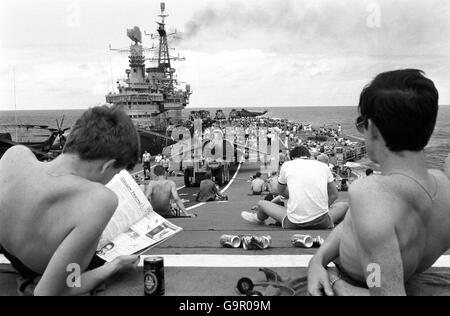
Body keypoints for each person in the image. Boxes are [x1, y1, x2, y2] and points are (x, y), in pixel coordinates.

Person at [307, 69, 450, 296]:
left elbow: (382, 290)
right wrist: (317, 260)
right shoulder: (444, 184)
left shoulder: (371, 194)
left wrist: (336, 284)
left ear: (371, 128)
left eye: (361, 123)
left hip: (359, 281)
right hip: (399, 274)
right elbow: (353, 225)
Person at [0, 105, 141, 296]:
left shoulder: (14, 156)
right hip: (45, 272)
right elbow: (48, 292)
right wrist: (113, 267)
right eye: (115, 172)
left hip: (12, 250)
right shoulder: (100, 200)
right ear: (107, 166)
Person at [241, 146, 349, 229]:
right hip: (323, 222)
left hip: (294, 223)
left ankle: (259, 219)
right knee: (344, 205)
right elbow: (334, 195)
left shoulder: (287, 165)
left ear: (291, 157)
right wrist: (321, 208)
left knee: (262, 204)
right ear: (309, 156)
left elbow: (279, 190)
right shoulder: (323, 167)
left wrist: (292, 196)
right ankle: (340, 222)